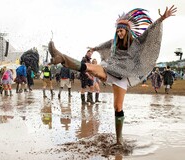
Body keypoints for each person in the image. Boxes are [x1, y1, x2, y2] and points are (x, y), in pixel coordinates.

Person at [48, 6, 177, 145]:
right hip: (110, 70)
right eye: (118, 31)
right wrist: (95, 48)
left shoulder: (136, 42)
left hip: (124, 76)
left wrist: (162, 18)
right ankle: (61, 58)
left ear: (126, 31)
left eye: (121, 31)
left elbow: (149, 31)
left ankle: (119, 140)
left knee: (118, 107)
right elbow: (104, 45)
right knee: (91, 68)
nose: (119, 33)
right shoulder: (114, 42)